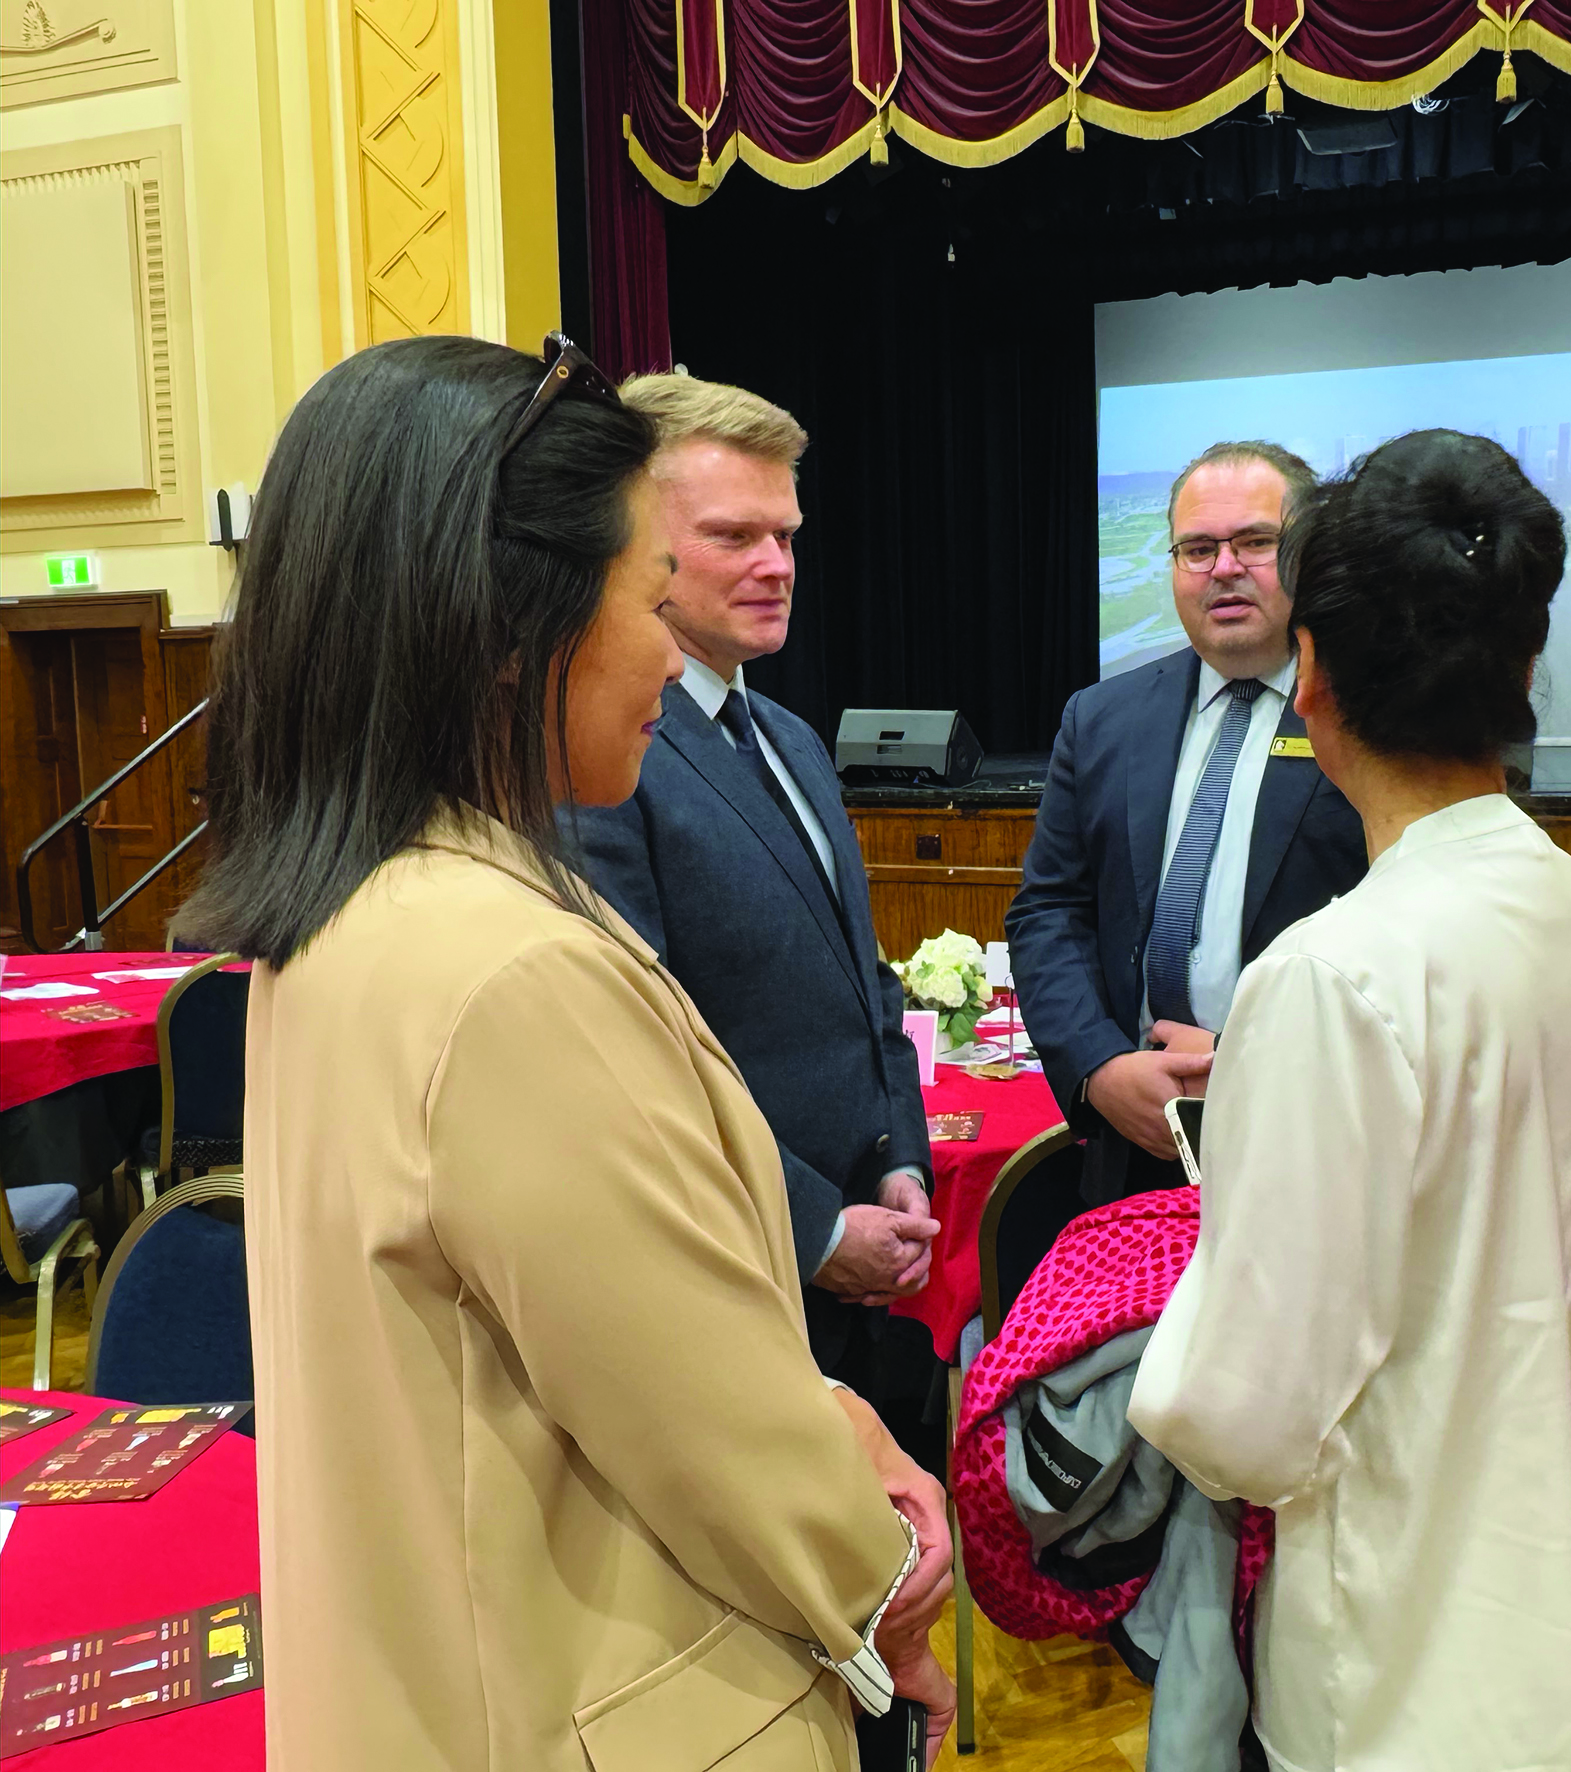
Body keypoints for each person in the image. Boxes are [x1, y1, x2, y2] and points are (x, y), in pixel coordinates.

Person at [183, 335, 953, 1768]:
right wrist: (889, 1568)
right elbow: (713, 1440)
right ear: (507, 626)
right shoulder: (508, 962)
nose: (668, 645)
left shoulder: (353, 908)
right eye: (644, 593)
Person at [1130, 431, 1571, 1771]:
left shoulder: (1334, 974)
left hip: (1414, 1644)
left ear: (1309, 670)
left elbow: (1244, 1414)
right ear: (1526, 671)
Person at [566, 372, 940, 1397]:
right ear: (639, 543)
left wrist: (898, 1160)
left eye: (787, 534)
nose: (776, 565)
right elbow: (638, 1056)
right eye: (736, 536)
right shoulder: (601, 755)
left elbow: (866, 990)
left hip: (874, 1276)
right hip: (731, 1290)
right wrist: (815, 1226)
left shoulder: (791, 738)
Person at [1007, 441, 1368, 1204]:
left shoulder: (1372, 721)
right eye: (1198, 548)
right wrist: (1100, 1066)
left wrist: (1242, 1060)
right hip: (1130, 1140)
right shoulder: (1100, 718)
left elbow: (1400, 950)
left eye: (1257, 543)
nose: (1224, 568)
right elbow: (1049, 912)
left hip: (1312, 1149)